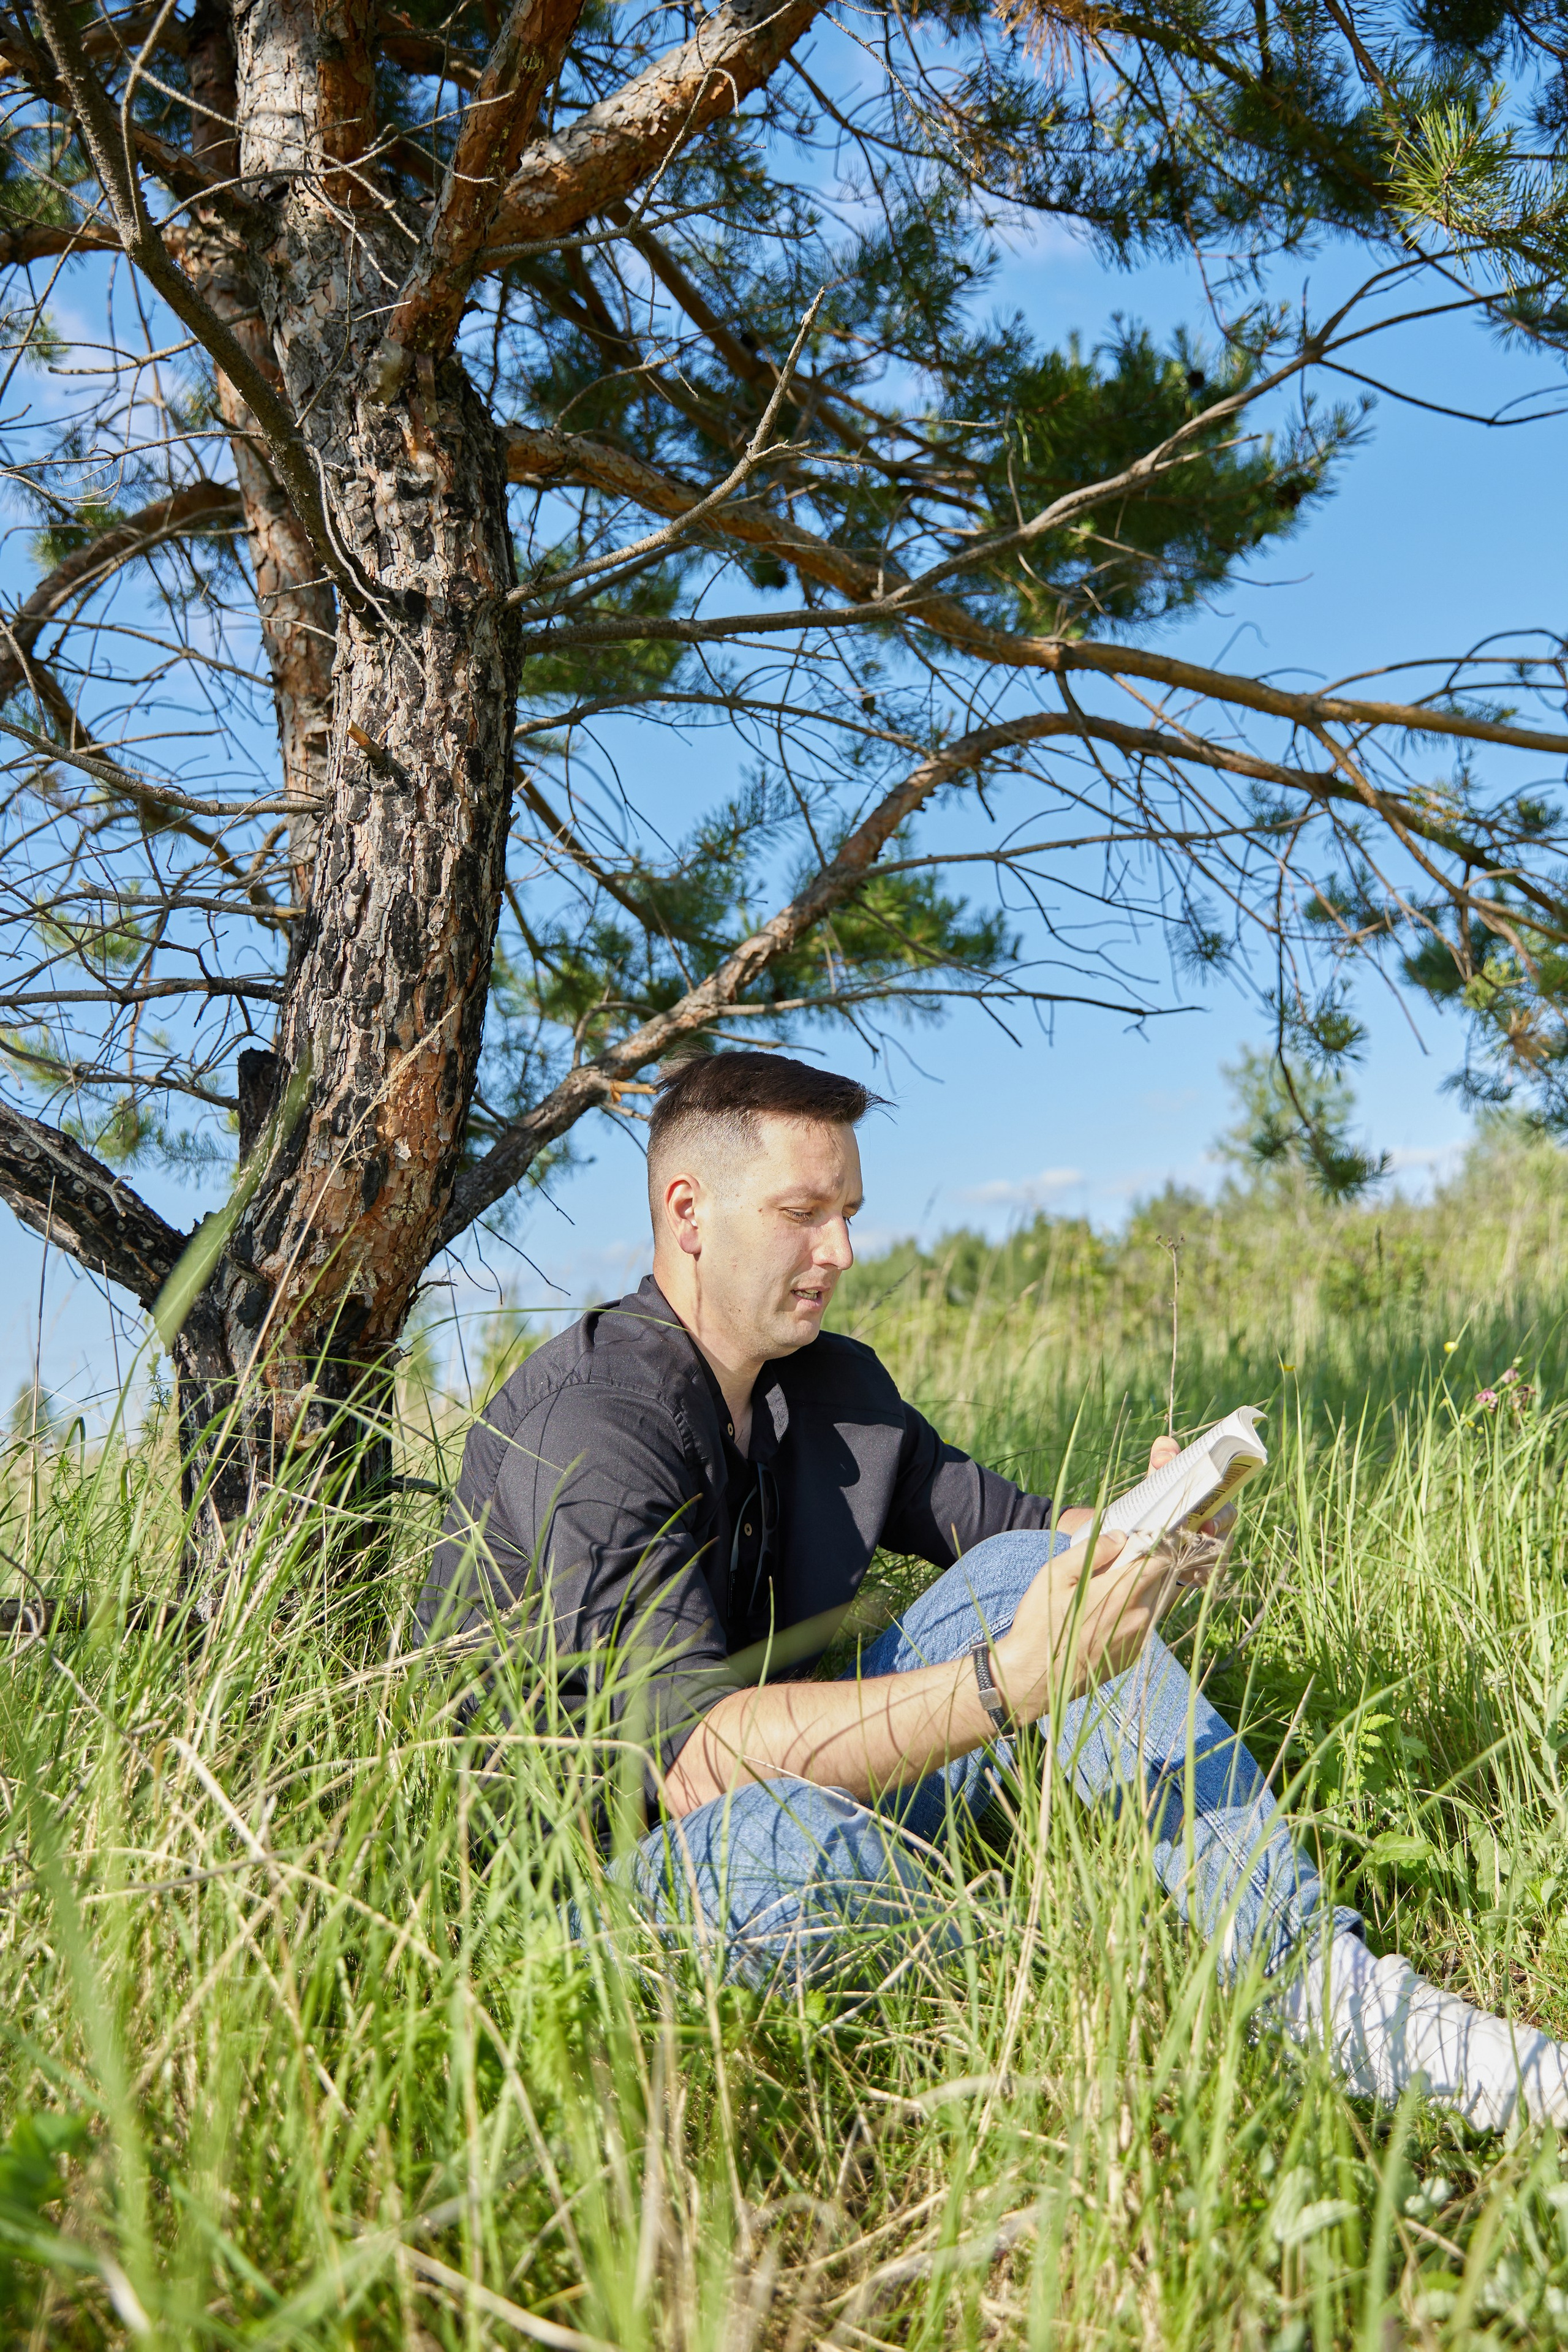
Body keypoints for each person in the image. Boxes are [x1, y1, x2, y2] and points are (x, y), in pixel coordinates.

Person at [418, 1053, 1568, 2130]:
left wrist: (1146, 1534)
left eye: (850, 1215)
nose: (842, 1252)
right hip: (591, 1893)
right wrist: (1010, 1681)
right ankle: (1107, 2062)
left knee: (1025, 1585)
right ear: (687, 1213)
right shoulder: (597, 1419)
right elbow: (700, 1764)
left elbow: (1027, 1546)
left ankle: (1319, 1991)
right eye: (803, 1215)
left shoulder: (834, 1388)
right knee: (804, 1841)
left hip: (783, 1798)